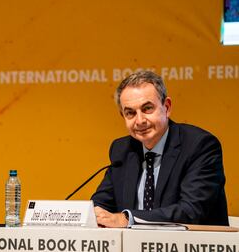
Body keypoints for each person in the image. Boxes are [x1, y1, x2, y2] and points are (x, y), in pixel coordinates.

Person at [91, 71, 228, 227]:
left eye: (147, 108)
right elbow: (101, 203)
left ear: (167, 107)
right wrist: (94, 214)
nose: (140, 120)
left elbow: (191, 210)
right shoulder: (122, 149)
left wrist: (129, 219)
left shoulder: (199, 145)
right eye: (130, 113)